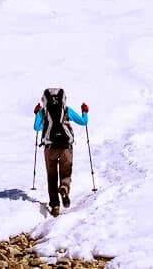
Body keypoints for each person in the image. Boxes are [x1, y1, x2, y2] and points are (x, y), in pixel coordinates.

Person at [32, 86, 89, 216]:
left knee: (51, 177)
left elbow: (36, 127)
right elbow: (83, 122)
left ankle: (55, 206)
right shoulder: (66, 110)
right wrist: (84, 111)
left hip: (50, 148)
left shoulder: (43, 111)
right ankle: (64, 187)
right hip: (66, 148)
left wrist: (37, 114)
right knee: (66, 173)